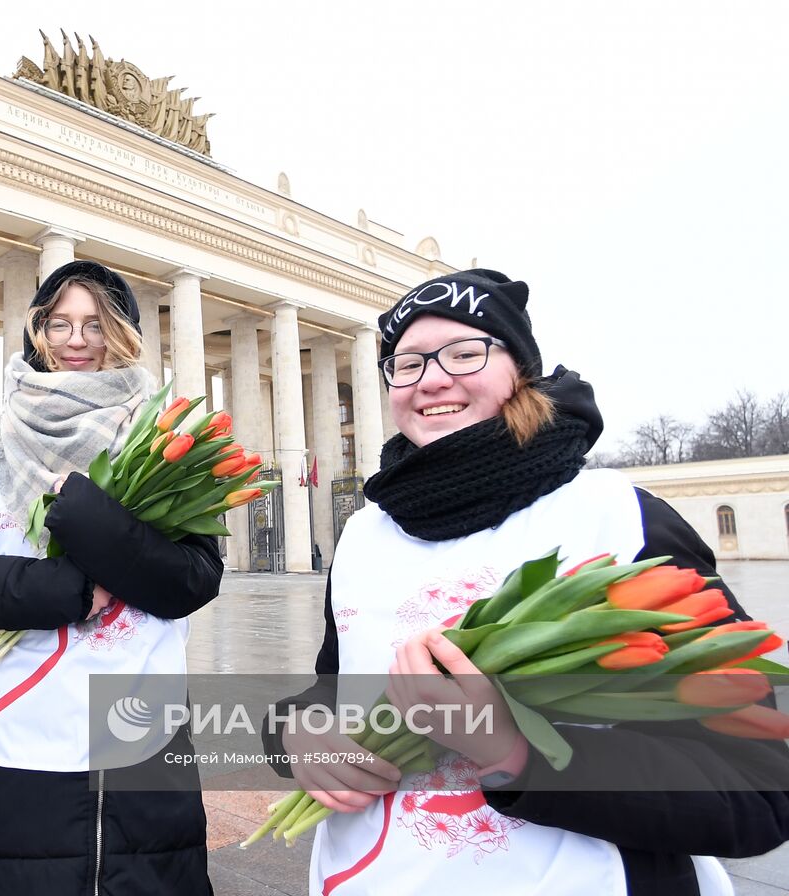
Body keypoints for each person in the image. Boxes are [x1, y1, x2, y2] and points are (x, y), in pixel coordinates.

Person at [264, 269, 789, 895]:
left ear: (521, 371)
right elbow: (333, 692)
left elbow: (757, 789)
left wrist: (514, 753)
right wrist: (296, 733)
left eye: (465, 353)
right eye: (406, 364)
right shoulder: (365, 534)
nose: (432, 379)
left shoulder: (617, 517)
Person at [0, 261, 224, 895]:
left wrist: (87, 516)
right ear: (39, 333)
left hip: (140, 731)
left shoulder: (164, 444)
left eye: (96, 324)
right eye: (59, 324)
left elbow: (193, 581)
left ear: (123, 334)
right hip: (18, 728)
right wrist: (74, 592)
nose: (77, 340)